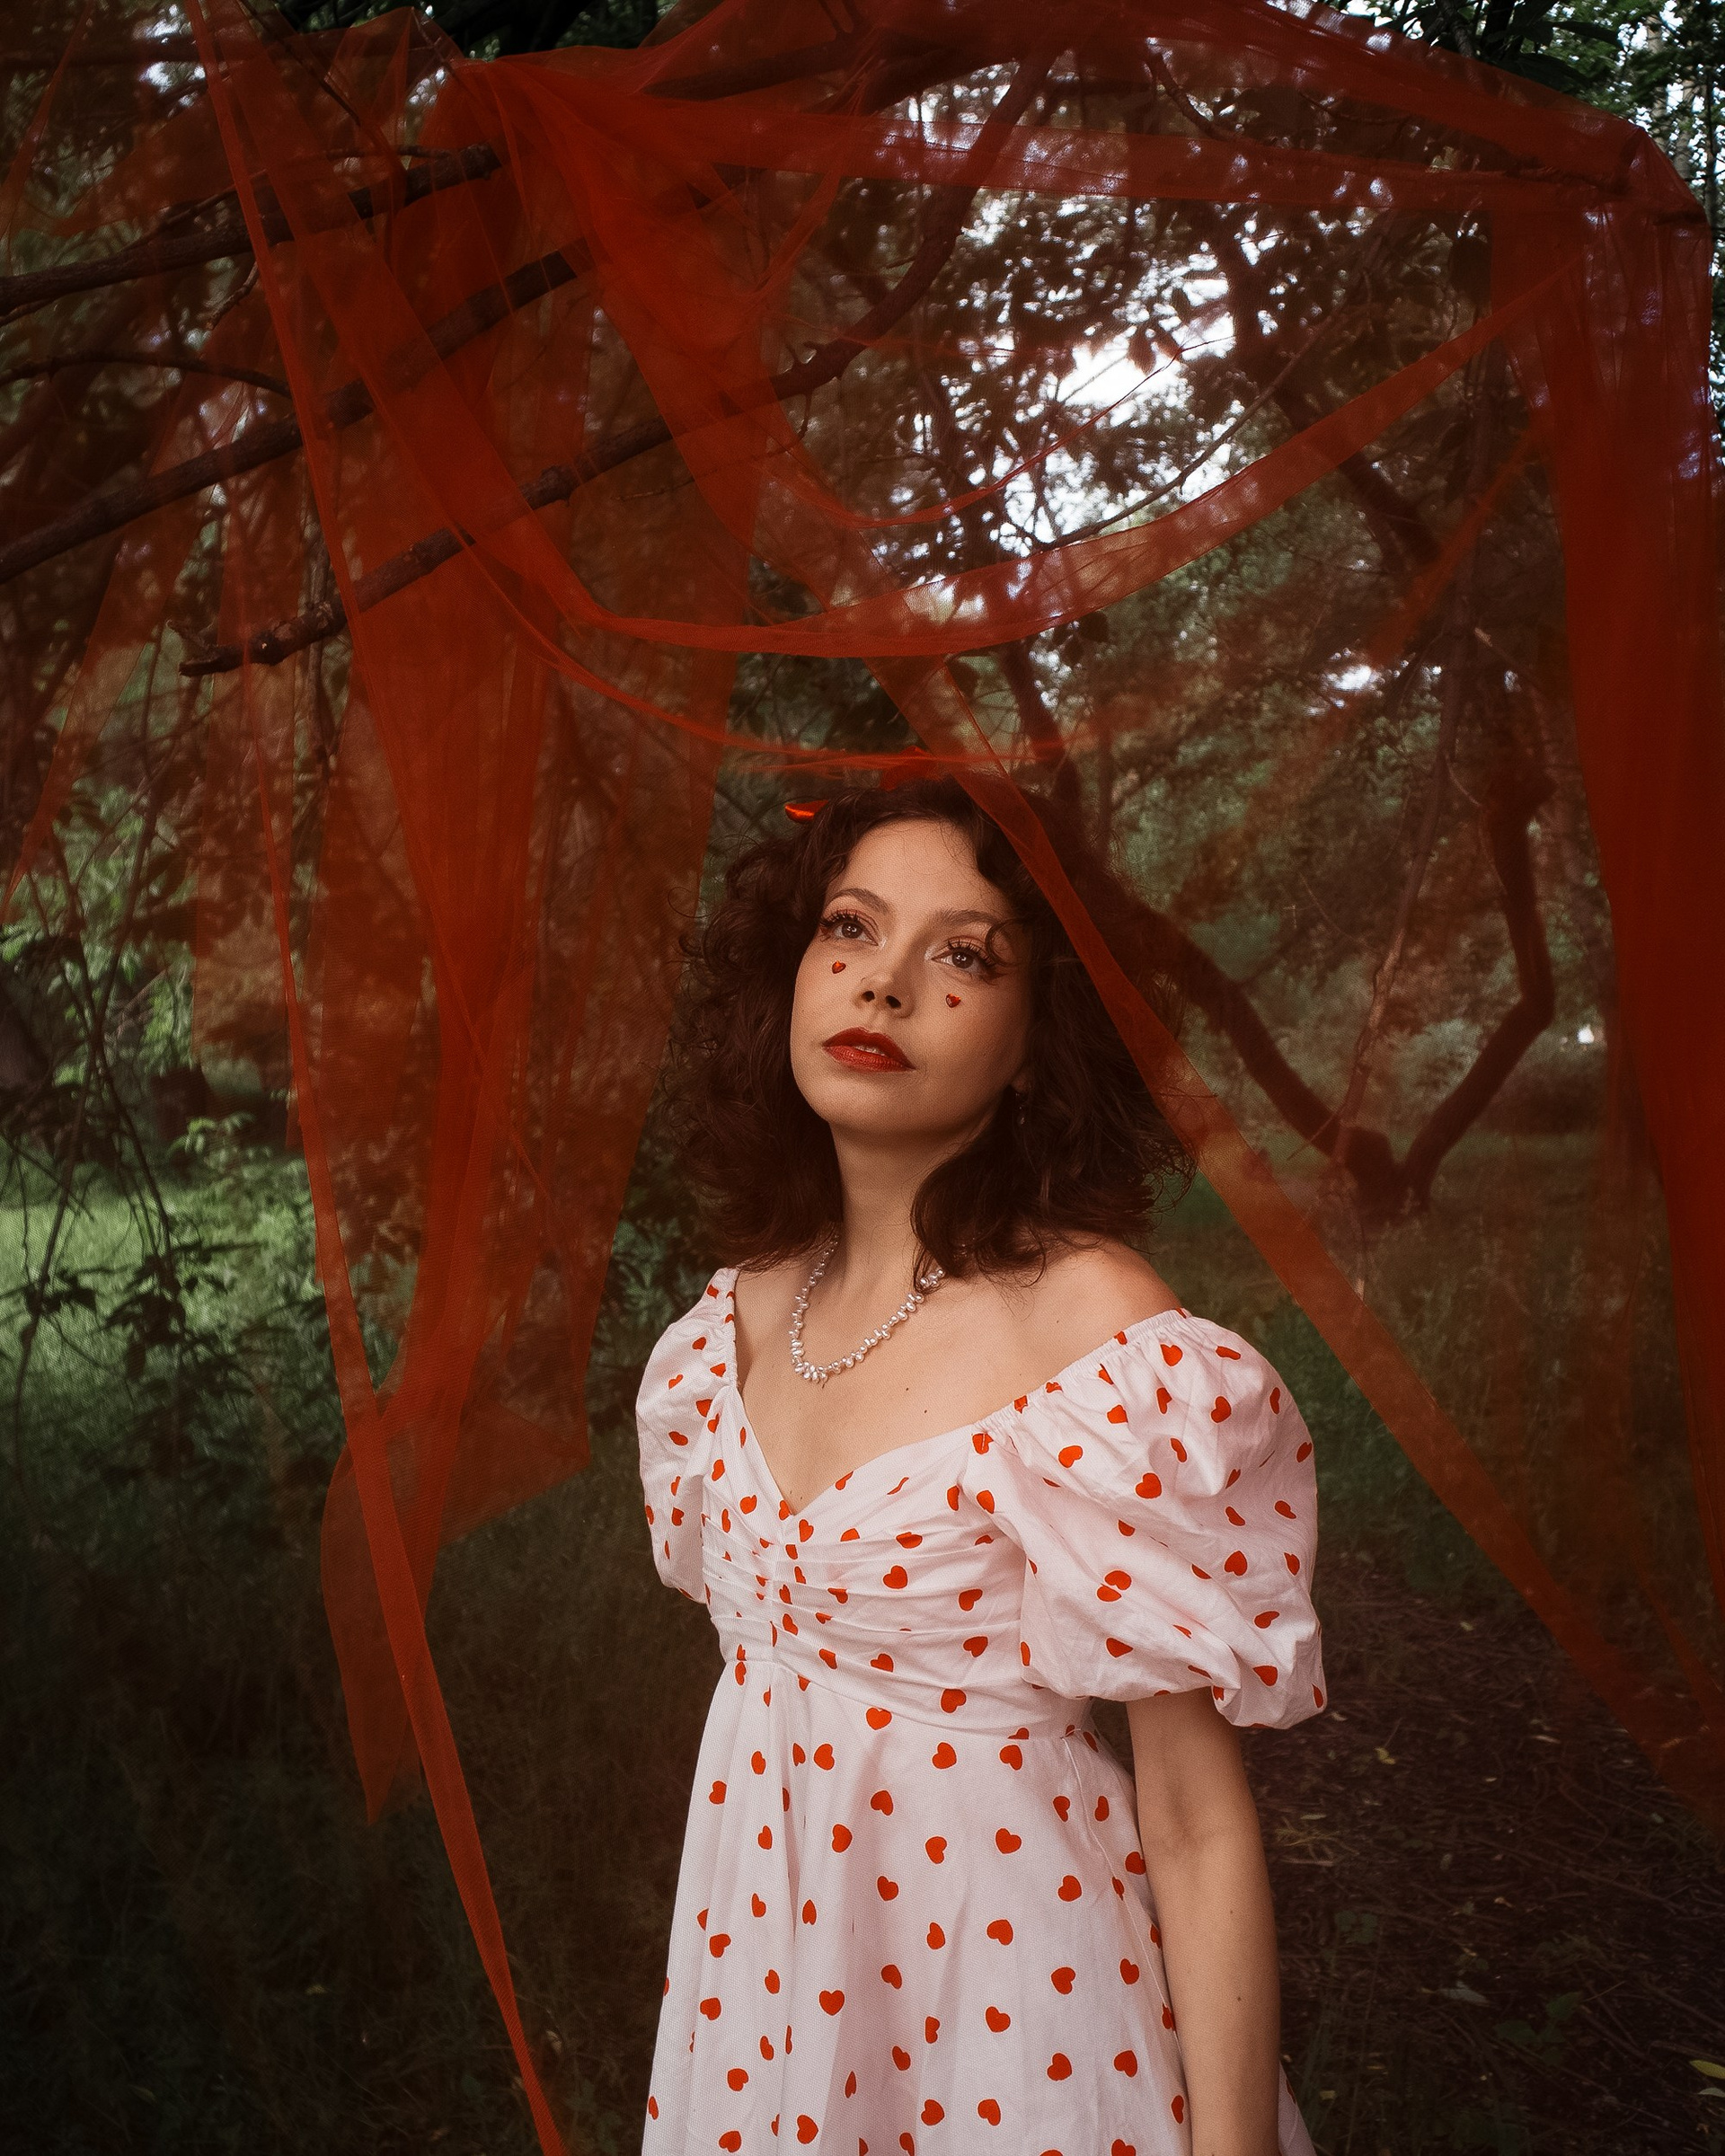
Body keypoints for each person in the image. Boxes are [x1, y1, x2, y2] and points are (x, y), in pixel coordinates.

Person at [635, 774, 1326, 2156]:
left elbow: (1195, 1820)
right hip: (761, 2008)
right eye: (850, 928)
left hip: (1014, 2020)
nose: (883, 983)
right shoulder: (729, 1327)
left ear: (1033, 1041)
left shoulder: (1099, 1337)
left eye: (963, 953)